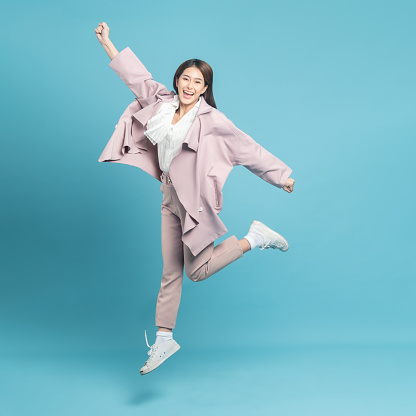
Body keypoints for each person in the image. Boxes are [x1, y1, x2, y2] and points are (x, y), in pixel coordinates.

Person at [95, 22, 295, 375]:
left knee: (197, 272)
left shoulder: (213, 120)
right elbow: (134, 76)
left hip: (195, 202)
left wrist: (280, 176)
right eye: (186, 78)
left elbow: (247, 149)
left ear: (205, 89)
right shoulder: (160, 103)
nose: (190, 86)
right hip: (169, 195)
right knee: (170, 272)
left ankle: (255, 237)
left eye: (198, 82)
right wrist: (108, 43)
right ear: (177, 80)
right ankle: (163, 340)